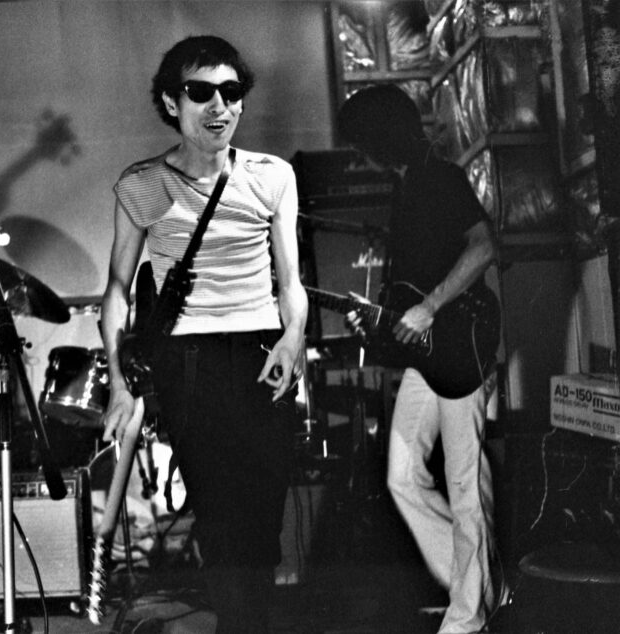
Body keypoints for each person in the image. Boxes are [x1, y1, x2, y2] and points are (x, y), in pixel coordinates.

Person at [99, 35, 307, 632]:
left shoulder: (273, 176)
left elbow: (290, 280)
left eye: (231, 92)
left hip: (263, 351)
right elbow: (116, 290)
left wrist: (293, 337)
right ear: (171, 102)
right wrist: (119, 383)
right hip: (190, 363)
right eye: (200, 92)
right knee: (219, 521)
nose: (219, 106)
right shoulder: (142, 184)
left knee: (262, 526)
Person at [336, 85, 501, 633]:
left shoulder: (441, 178)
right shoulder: (404, 190)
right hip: (428, 357)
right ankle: (479, 587)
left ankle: (467, 618)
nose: (361, 157)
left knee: (465, 485)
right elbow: (411, 288)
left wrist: (429, 308)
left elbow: (483, 246)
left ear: (381, 137)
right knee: (402, 476)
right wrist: (377, 321)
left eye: (362, 145)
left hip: (462, 345)